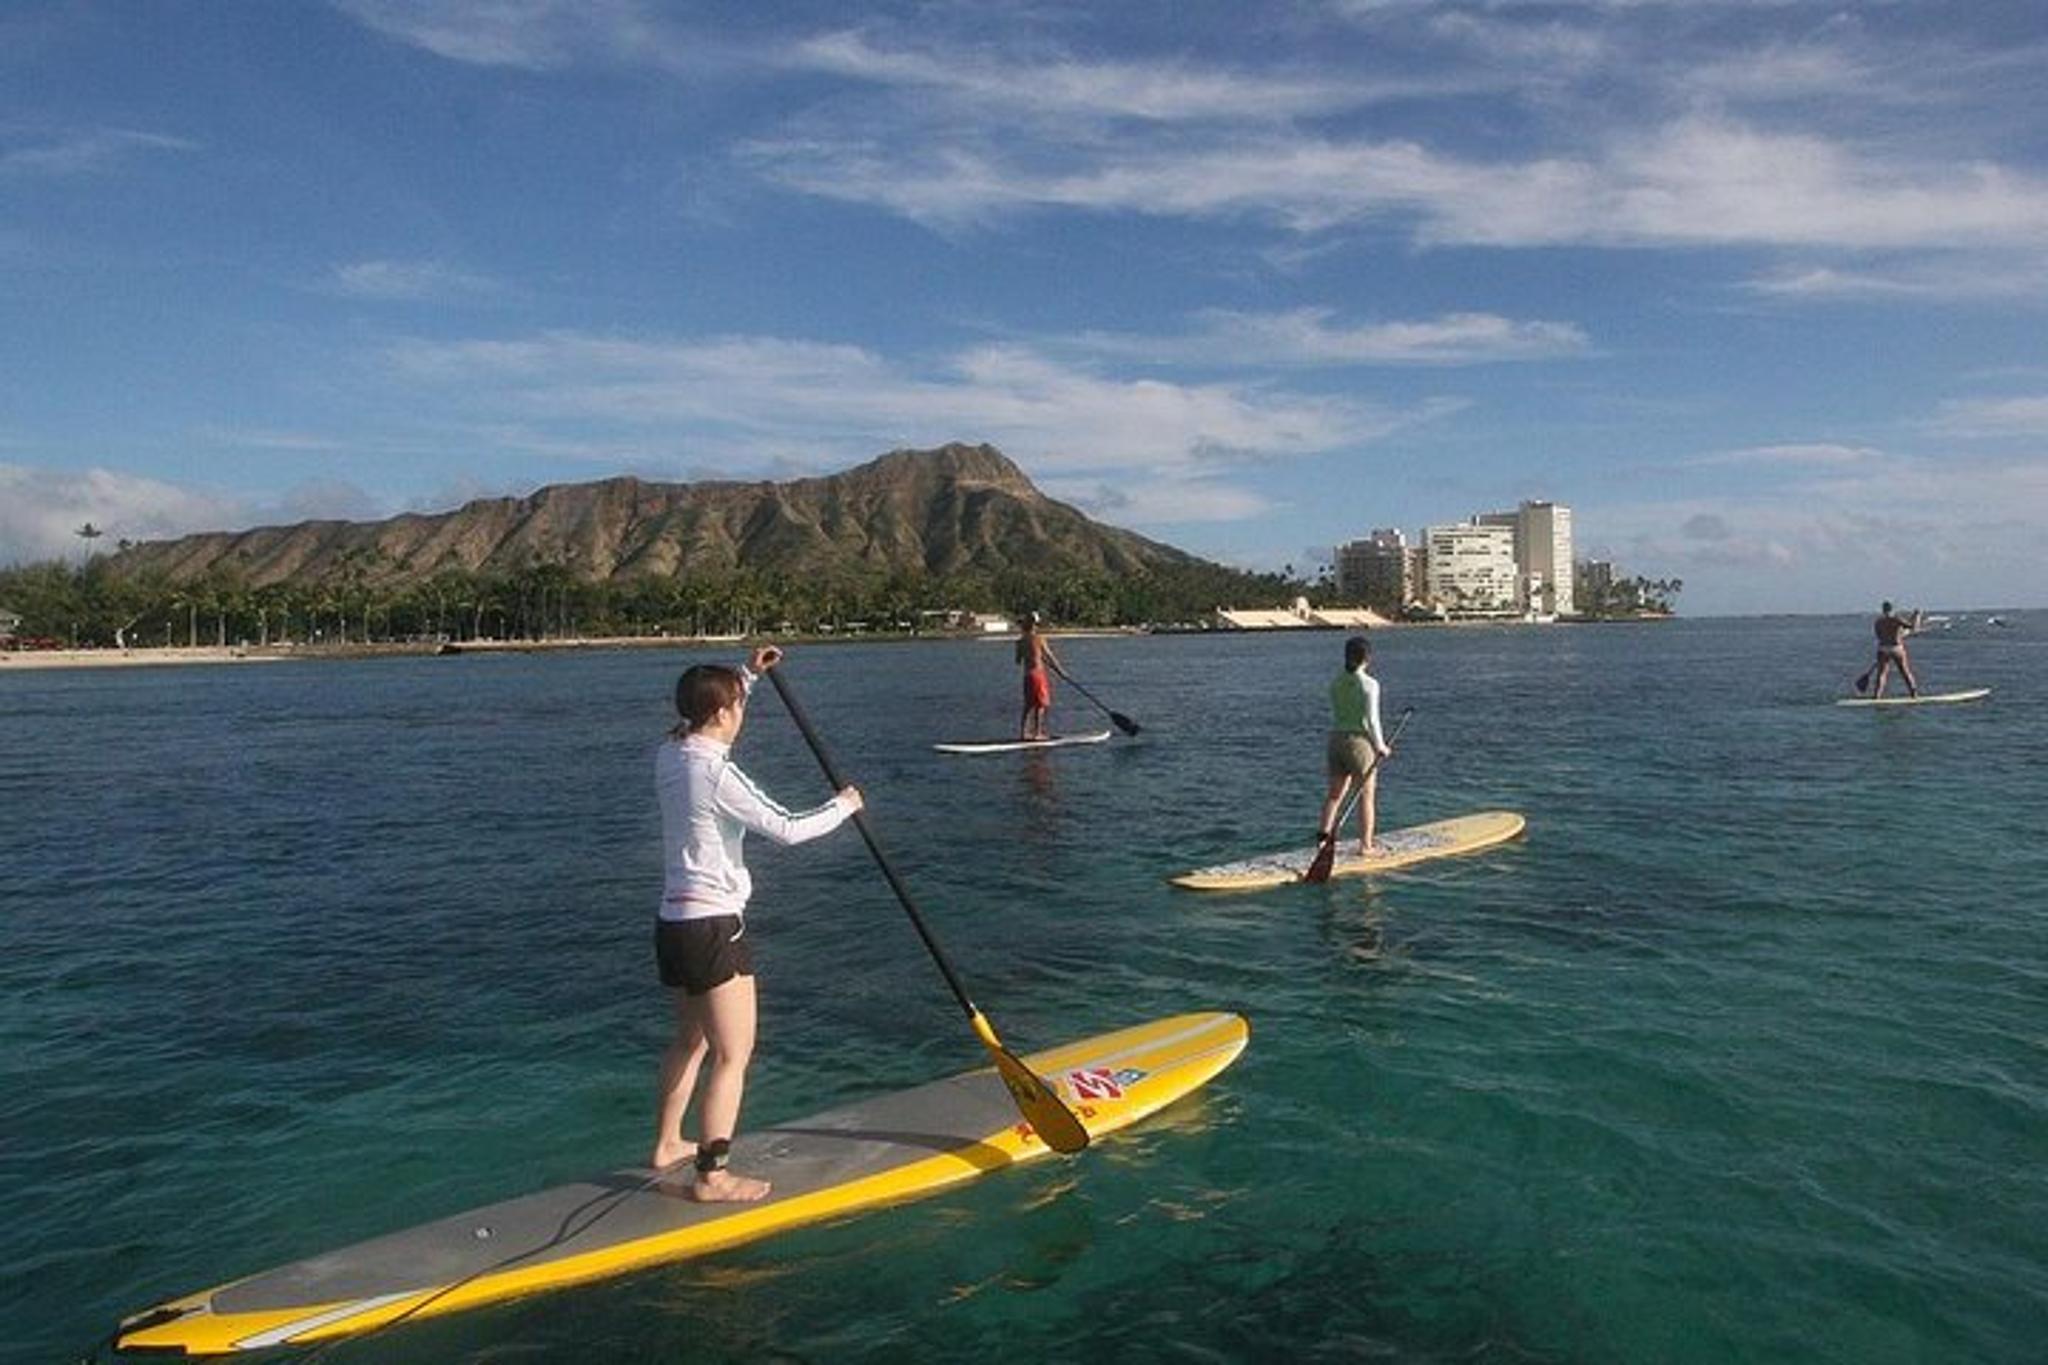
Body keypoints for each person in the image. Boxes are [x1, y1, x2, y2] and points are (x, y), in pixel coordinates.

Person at [652, 644, 861, 1202]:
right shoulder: (717, 774)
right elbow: (788, 829)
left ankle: (669, 1144)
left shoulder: (669, 754)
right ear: (721, 714)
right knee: (732, 1056)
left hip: (672, 924)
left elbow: (698, 714)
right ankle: (712, 1177)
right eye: (736, 704)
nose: (740, 713)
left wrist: (749, 674)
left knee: (690, 1042)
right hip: (715, 927)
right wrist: (844, 806)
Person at [1317, 634, 1394, 858]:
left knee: (1334, 795)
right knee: (1366, 796)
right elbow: (1372, 720)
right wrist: (1380, 746)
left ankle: (1322, 842)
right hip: (1359, 744)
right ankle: (1366, 846)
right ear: (1367, 658)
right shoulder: (1370, 684)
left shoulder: (1335, 682)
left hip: (1336, 740)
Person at [1016, 611, 1066, 741]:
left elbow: (1018, 661)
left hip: (1027, 676)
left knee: (1028, 705)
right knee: (1040, 705)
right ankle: (1038, 733)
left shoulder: (1020, 642)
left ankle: (1023, 733)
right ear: (1035, 625)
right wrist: (1060, 671)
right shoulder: (1039, 639)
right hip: (1038, 675)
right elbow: (1050, 656)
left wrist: (1033, 655)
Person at [1858, 601, 1921, 698]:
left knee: (1882, 674)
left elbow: (1879, 636)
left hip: (1883, 648)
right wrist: (1917, 616)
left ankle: (1877, 696)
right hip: (1896, 648)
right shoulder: (1896, 619)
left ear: (1883, 609)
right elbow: (1913, 627)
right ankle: (1914, 694)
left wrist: (1897, 634)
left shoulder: (1878, 622)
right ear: (1892, 609)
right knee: (1905, 672)